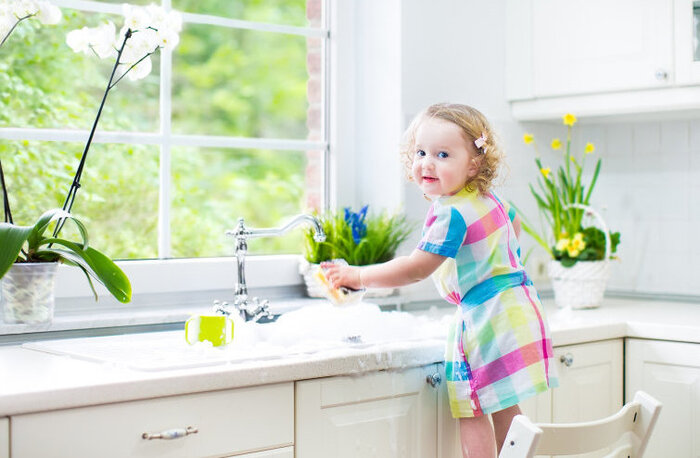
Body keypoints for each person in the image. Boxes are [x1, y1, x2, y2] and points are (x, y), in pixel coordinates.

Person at [322, 103, 558, 457]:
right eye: (420, 152)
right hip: (519, 309)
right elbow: (515, 225)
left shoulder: (451, 213)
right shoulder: (487, 198)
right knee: (506, 406)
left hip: (487, 318)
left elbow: (416, 268)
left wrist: (356, 275)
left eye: (442, 154)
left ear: (473, 163)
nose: (426, 163)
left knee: (473, 406)